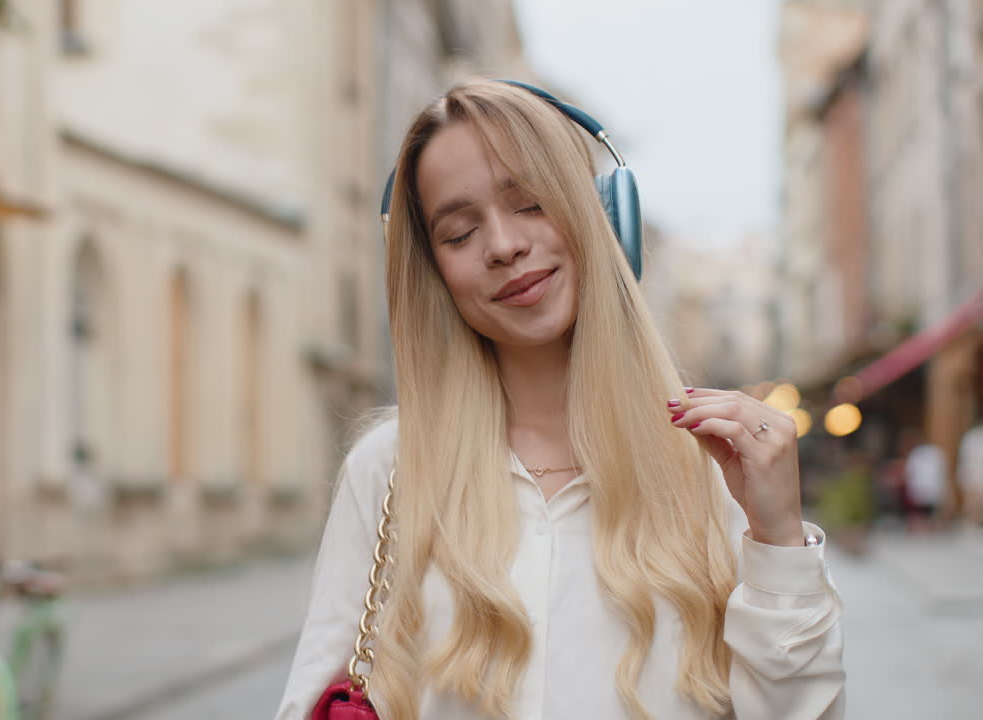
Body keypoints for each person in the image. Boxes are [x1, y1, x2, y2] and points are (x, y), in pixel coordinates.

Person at [275, 80, 843, 719]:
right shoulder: (387, 470)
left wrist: (778, 539)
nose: (503, 245)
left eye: (532, 204)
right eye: (459, 234)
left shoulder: (715, 464)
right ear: (432, 272)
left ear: (602, 215)